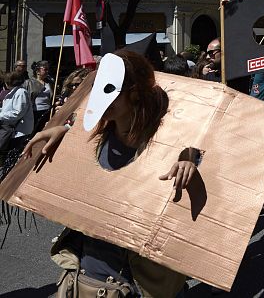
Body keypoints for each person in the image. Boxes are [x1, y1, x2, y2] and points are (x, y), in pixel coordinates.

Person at [22, 50, 196, 297]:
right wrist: (63, 130)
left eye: (109, 92)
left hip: (134, 280)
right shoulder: (96, 137)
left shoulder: (162, 141)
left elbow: (192, 149)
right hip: (87, 272)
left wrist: (189, 162)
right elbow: (81, 134)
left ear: (134, 94)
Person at [0, 70, 35, 158]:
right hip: (13, 130)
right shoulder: (15, 92)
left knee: (12, 155)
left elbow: (17, 113)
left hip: (19, 131)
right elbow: (8, 109)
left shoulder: (21, 92)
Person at [31, 60, 54, 129]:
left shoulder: (49, 83)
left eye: (48, 69)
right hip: (36, 111)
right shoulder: (30, 83)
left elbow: (52, 95)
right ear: (37, 71)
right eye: (45, 69)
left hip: (47, 110)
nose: (47, 71)